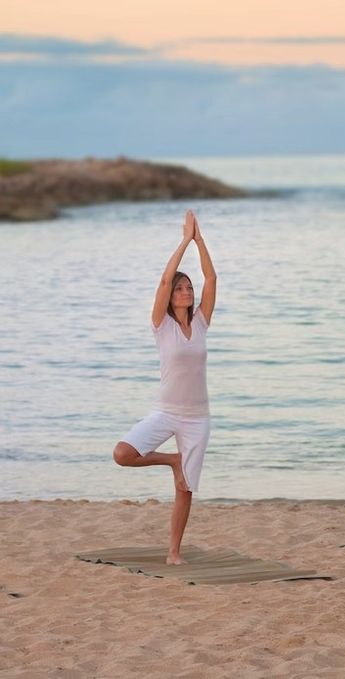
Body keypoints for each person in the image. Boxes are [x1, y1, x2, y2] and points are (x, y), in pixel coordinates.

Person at [112, 210, 217, 565]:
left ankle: (173, 552)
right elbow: (162, 281)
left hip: (197, 417)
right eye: (180, 288)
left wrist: (200, 240)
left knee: (185, 488)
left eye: (189, 288)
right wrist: (184, 241)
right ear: (171, 298)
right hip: (166, 411)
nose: (185, 291)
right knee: (123, 454)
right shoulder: (161, 325)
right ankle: (171, 460)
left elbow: (212, 277)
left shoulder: (201, 322)